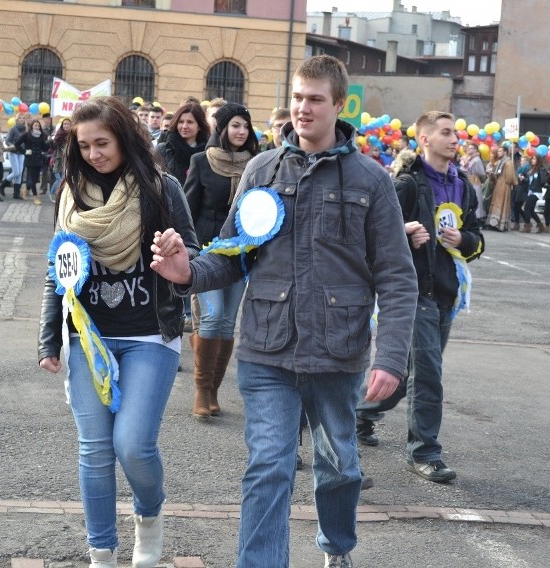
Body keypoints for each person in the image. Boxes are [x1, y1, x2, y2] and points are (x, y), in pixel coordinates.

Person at [150, 54, 418, 568]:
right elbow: (230, 254)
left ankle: (336, 546)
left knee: (339, 465)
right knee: (269, 465)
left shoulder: (371, 180)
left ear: (339, 105)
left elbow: (397, 277)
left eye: (315, 99)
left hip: (337, 354)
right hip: (266, 349)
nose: (303, 108)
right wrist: (188, 272)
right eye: (297, 98)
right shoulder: (261, 170)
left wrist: (391, 358)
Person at [38, 97, 199, 568]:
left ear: (125, 139)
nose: (93, 154)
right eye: (84, 145)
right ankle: (101, 553)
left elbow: (193, 249)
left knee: (132, 443)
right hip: (89, 337)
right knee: (95, 448)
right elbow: (58, 268)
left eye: (102, 143)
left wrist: (177, 249)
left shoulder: (162, 189)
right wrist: (49, 337)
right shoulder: (69, 193)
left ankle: (149, 515)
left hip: (151, 334)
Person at [391, 111, 483, 484]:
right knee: (428, 374)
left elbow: (476, 238)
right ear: (424, 140)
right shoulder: (408, 185)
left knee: (405, 376)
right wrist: (404, 230)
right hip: (415, 292)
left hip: (447, 292)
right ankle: (424, 452)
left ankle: (362, 415)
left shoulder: (463, 185)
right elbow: (377, 233)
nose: (454, 138)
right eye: (445, 132)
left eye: (455, 132)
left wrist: (466, 240)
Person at [183, 102, 259, 420]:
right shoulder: (201, 161)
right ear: (223, 129)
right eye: (235, 125)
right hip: (207, 251)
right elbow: (187, 208)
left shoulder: (258, 165)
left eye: (245, 126)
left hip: (241, 254)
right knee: (212, 318)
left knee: (228, 322)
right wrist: (188, 250)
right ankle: (200, 391)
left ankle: (213, 390)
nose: (241, 131)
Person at [155, 102, 209, 185]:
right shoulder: (163, 149)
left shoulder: (208, 153)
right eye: (181, 122)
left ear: (199, 126)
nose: (184, 126)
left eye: (190, 122)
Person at [484, 144, 517, 231]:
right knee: (495, 203)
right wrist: (491, 175)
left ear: (505, 152)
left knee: (501, 203)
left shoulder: (508, 162)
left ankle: (500, 225)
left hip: (504, 186)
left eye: (500, 151)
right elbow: (496, 174)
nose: (498, 153)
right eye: (498, 151)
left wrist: (501, 180)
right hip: (498, 184)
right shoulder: (499, 162)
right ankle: (493, 223)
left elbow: (510, 178)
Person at [15, 119, 48, 204]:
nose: (37, 127)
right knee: (33, 179)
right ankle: (35, 197)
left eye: (38, 126)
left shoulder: (42, 135)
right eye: (35, 125)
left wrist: (49, 142)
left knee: (35, 179)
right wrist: (24, 152)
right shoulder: (27, 135)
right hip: (30, 159)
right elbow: (17, 144)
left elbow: (44, 148)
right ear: (32, 126)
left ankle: (25, 189)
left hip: (38, 159)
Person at [1, 113, 27, 198]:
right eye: (20, 118)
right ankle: (2, 185)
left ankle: (16, 194)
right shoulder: (13, 129)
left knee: (19, 174)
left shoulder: (25, 130)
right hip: (13, 152)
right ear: (17, 120)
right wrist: (12, 145)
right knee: (16, 172)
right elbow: (7, 141)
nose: (22, 119)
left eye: (23, 118)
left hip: (22, 153)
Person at [48, 117, 71, 203]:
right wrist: (50, 141)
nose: (66, 125)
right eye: (64, 124)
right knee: (59, 179)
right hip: (58, 160)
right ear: (62, 125)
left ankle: (61, 196)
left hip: (68, 160)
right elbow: (53, 147)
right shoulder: (59, 135)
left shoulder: (73, 136)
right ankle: (52, 193)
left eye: (68, 124)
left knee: (65, 179)